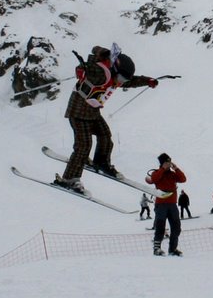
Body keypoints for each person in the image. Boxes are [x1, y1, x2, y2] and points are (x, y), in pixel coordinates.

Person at [53, 44, 159, 193]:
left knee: (105, 136)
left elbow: (130, 81)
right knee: (83, 146)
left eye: (123, 79)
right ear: (114, 69)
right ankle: (69, 179)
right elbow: (90, 66)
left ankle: (101, 162)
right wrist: (82, 69)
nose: (121, 82)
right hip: (78, 112)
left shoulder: (116, 78)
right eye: (120, 78)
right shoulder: (101, 73)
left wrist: (147, 81)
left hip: (92, 112)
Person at [145, 153, 186, 256]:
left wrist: (176, 168)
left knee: (176, 228)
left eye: (170, 162)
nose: (169, 164)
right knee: (160, 227)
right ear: (162, 163)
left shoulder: (172, 174)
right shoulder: (156, 173)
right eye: (167, 162)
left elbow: (183, 179)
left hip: (172, 204)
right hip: (161, 205)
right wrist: (163, 169)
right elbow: (154, 179)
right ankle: (156, 249)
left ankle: (173, 249)